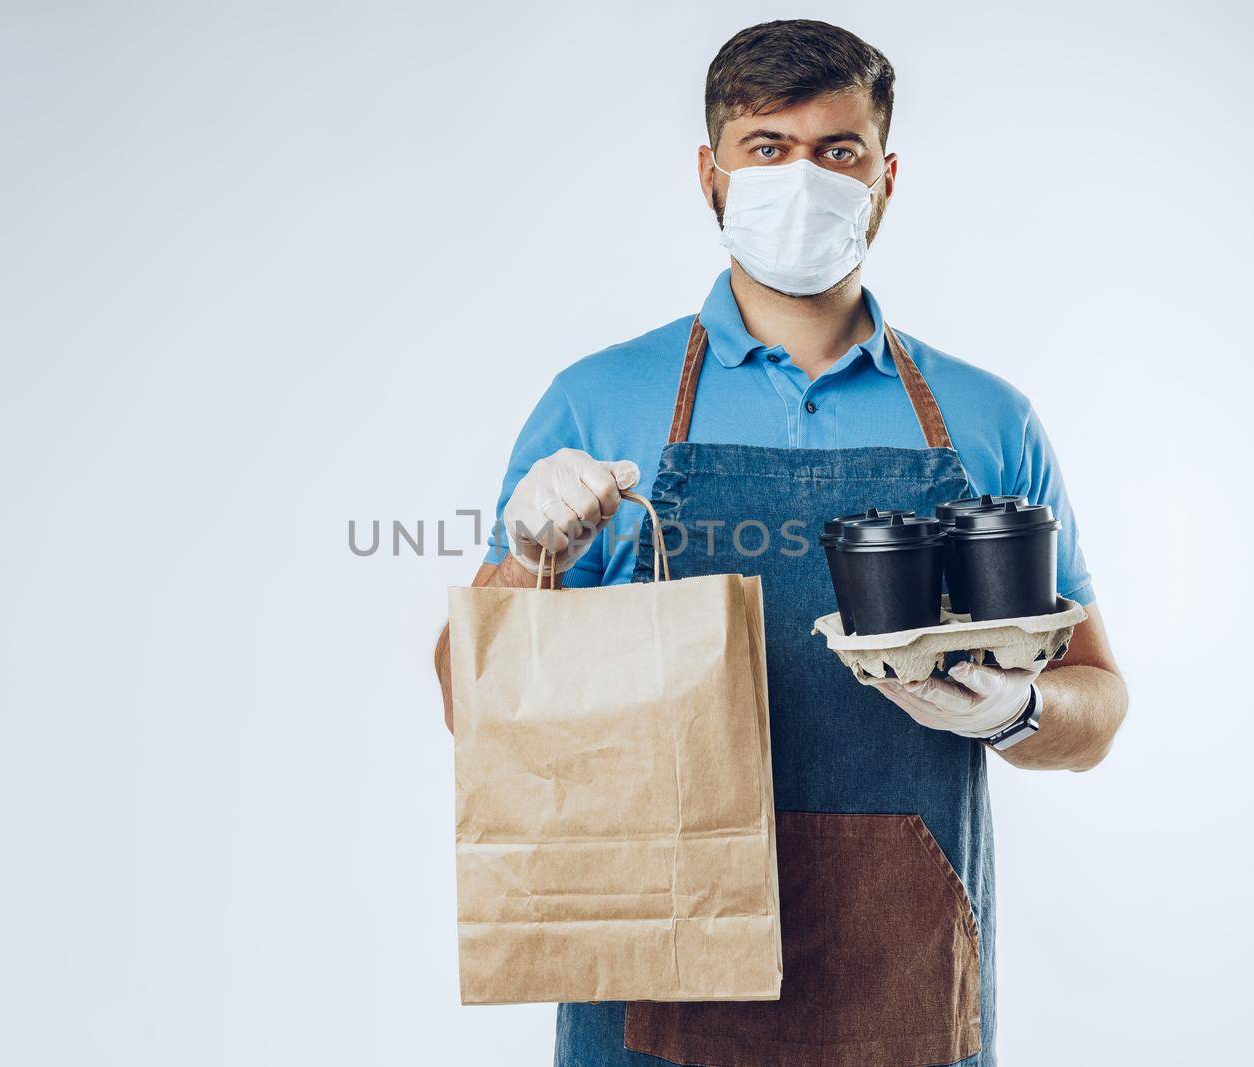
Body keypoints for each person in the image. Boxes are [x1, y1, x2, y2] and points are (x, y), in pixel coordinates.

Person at [434, 19, 1128, 1066]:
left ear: (885, 178)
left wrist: (1019, 707)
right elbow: (468, 702)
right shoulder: (598, 402)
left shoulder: (988, 421)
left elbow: (1098, 699)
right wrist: (526, 560)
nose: (800, 179)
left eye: (835, 151)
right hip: (654, 964)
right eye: (765, 147)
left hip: (900, 972)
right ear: (709, 175)